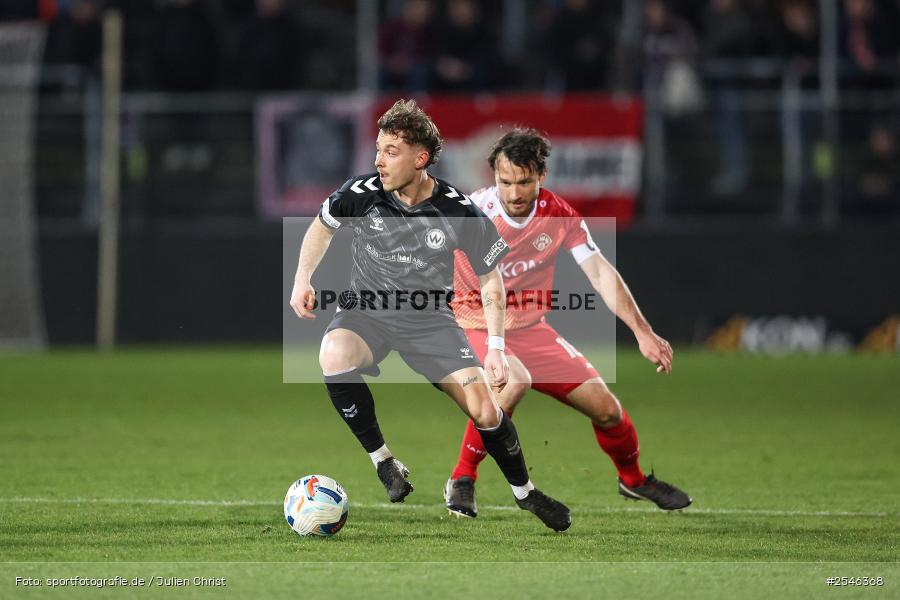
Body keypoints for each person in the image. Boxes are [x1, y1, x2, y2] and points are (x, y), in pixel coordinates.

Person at [289, 100, 571, 531]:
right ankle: (384, 462)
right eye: (378, 149)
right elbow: (322, 226)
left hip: (430, 322)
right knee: (333, 354)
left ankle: (525, 493)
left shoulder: (458, 210)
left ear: (420, 159)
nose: (379, 160)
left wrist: (496, 348)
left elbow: (491, 280)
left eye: (391, 152)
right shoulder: (360, 193)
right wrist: (302, 278)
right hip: (368, 312)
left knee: (486, 410)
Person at [443, 128, 692, 518]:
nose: (513, 193)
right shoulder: (473, 213)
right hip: (476, 325)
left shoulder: (559, 215)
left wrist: (642, 331)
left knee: (608, 410)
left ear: (541, 175)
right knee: (513, 383)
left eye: (524, 182)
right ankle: (462, 478)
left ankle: (633, 479)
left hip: (531, 331)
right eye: (505, 182)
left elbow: (600, 272)